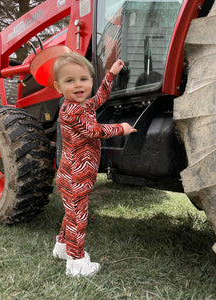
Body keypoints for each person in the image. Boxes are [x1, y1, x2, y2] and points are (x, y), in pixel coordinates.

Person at [52, 52, 137, 277]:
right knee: (78, 218)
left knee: (72, 214)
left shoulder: (82, 105)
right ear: (57, 86)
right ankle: (77, 263)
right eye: (70, 81)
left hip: (77, 175)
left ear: (91, 80)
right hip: (74, 177)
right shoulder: (73, 110)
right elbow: (94, 131)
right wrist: (122, 128)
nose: (78, 85)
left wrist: (110, 76)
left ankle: (62, 247)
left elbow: (99, 99)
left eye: (84, 79)